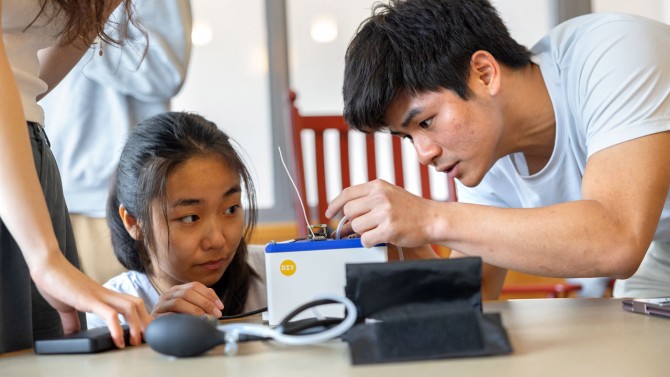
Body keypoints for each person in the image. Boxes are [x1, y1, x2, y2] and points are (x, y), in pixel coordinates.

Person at [325, 0, 670, 300]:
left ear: (485, 74)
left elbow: (617, 240)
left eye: (426, 122)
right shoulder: (488, 149)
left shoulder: (613, 52)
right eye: (407, 137)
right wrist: (407, 246)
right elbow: (469, 293)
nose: (423, 153)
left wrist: (429, 218)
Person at [0, 0, 152, 353]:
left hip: (25, 152)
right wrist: (45, 257)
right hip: (17, 157)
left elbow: (31, 78)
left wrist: (19, 108)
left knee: (51, 355)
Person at [40, 0, 193, 284]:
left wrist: (77, 35)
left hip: (115, 192)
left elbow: (166, 69)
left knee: (131, 321)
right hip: (47, 183)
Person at [86, 111, 267, 328]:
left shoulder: (279, 273)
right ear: (134, 223)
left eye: (230, 209)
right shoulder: (109, 318)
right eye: (190, 217)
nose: (217, 240)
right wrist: (156, 339)